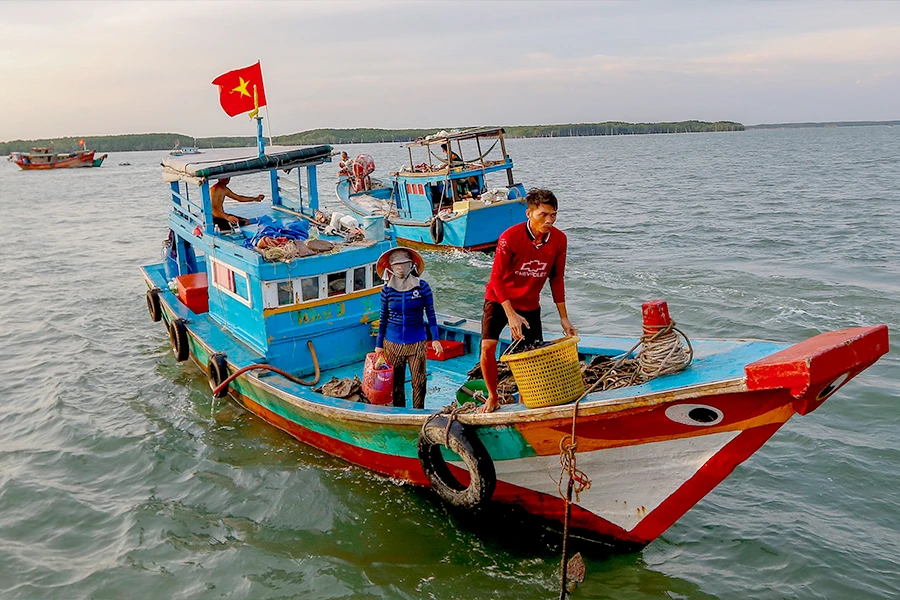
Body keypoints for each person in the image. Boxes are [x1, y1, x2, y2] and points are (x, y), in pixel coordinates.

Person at [477, 188, 577, 413]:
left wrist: (564, 318)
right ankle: (492, 397)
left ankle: (527, 400)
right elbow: (496, 278)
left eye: (554, 215)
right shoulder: (510, 237)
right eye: (544, 215)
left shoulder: (559, 240)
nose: (549, 220)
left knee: (530, 354)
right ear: (529, 214)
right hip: (499, 299)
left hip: (530, 303)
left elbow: (557, 278)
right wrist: (511, 314)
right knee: (487, 347)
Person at [374, 248, 443, 409]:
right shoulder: (387, 291)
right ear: (390, 267)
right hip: (392, 342)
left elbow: (431, 315)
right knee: (396, 383)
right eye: (396, 265)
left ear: (411, 265)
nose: (400, 268)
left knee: (419, 382)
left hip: (417, 341)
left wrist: (436, 339)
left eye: (404, 264)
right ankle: (399, 412)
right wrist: (378, 345)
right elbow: (383, 318)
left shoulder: (422, 287)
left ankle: (418, 412)